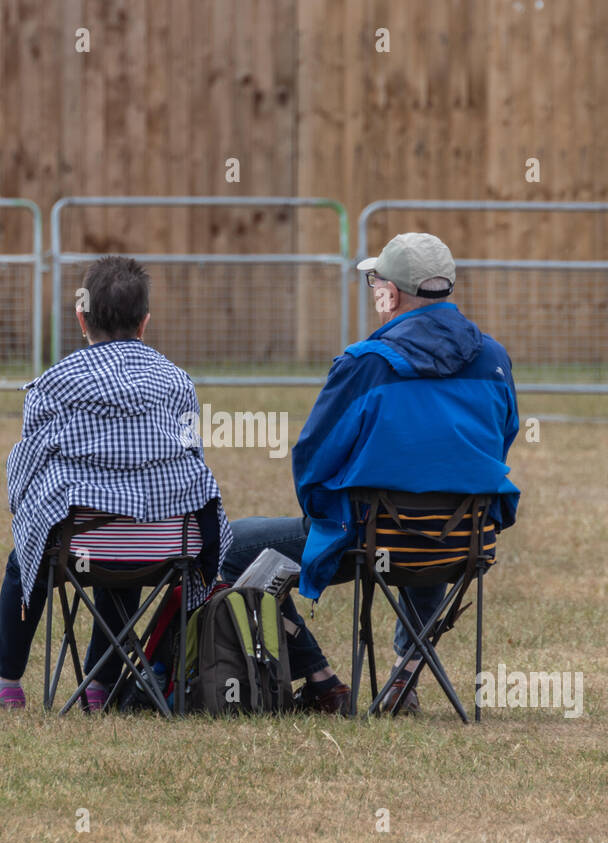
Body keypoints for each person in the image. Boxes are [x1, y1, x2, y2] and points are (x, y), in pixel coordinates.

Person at [223, 233, 520, 713]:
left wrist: (327, 519)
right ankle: (405, 675)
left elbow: (313, 460)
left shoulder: (365, 365)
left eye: (375, 281)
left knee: (229, 546)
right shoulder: (495, 361)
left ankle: (322, 681)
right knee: (432, 514)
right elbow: (503, 439)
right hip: (461, 539)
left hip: (372, 538)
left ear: (393, 294)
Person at [0, 255, 231, 711]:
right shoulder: (177, 382)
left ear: (80, 318)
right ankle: (98, 684)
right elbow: (194, 459)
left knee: (24, 564)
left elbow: (28, 464)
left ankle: (7, 684)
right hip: (166, 548)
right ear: (145, 322)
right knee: (128, 540)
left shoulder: (54, 384)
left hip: (78, 544)